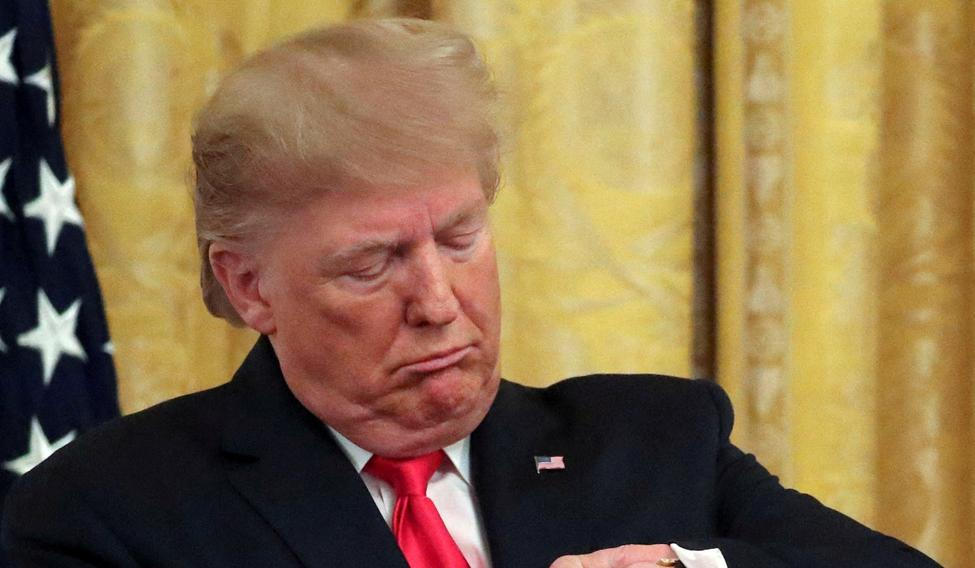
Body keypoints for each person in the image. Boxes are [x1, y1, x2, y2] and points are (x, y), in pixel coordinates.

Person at [2, 18, 940, 568]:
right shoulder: (105, 514)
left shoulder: (656, 444)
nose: (439, 300)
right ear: (248, 285)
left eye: (460, 238)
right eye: (372, 264)